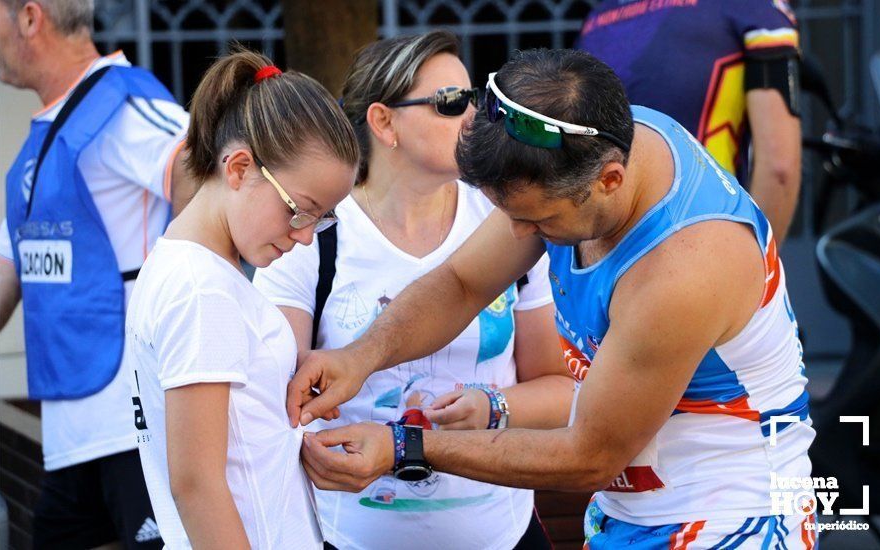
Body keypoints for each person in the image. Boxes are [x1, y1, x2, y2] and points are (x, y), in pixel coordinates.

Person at [291, 49, 818, 548]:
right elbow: (461, 283)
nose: (519, 237)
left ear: (610, 180)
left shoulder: (684, 269)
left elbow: (589, 454)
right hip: (632, 508)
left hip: (734, 517)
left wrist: (403, 447)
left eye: (538, 221)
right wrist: (357, 357)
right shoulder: (578, 145)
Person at [253, 31, 571, 550]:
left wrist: (495, 406)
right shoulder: (316, 237)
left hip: (504, 536)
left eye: (476, 100)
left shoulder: (507, 224)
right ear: (383, 122)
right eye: (450, 104)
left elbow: (561, 389)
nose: (473, 118)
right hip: (349, 537)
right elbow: (272, 399)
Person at [125, 48, 359, 549]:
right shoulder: (201, 289)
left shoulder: (190, 267)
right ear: (238, 168)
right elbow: (198, 486)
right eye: (301, 210)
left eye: (323, 220)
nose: (305, 237)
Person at [0, 1, 189, 546]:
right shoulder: (43, 139)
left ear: (30, 17)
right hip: (70, 436)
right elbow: (9, 269)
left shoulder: (123, 103)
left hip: (139, 428)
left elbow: (214, 176)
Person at [575, 0, 802, 244]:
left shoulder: (598, 19)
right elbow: (780, 169)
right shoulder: (754, 9)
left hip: (600, 246)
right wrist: (757, 267)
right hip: (704, 232)